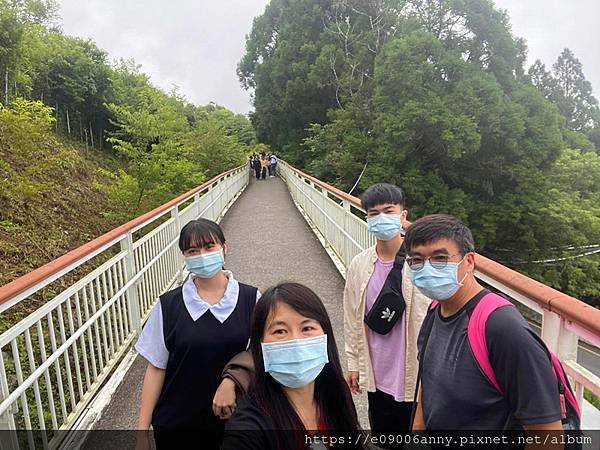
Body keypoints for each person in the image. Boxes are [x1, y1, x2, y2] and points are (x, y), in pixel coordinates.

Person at [406, 214, 563, 438]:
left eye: (440, 258)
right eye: (417, 260)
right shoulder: (435, 309)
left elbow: (548, 434)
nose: (427, 268)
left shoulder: (502, 328)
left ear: (468, 261)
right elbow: (428, 381)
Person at [134, 219, 260, 450]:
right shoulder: (168, 306)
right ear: (184, 256)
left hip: (236, 424)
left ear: (224, 248)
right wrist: (142, 435)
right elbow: (156, 368)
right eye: (193, 250)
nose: (202, 255)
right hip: (177, 427)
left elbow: (263, 353)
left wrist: (231, 381)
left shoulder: (251, 300)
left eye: (209, 247)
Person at [222, 283, 365, 450]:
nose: (296, 341)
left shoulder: (336, 394)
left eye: (307, 328)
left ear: (326, 335)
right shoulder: (250, 426)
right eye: (280, 331)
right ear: (259, 345)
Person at [343, 183, 429, 446]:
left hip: (415, 377)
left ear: (403, 216)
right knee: (385, 439)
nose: (381, 218)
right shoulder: (359, 264)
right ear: (366, 219)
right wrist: (353, 363)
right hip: (377, 372)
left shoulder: (422, 264)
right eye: (373, 213)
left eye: (388, 211)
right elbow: (351, 315)